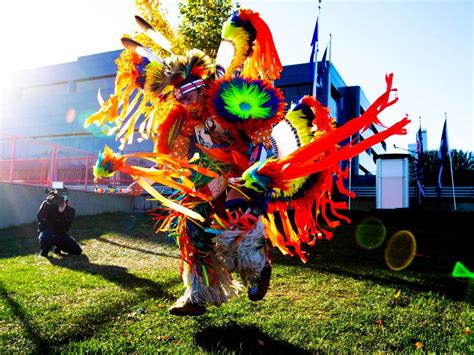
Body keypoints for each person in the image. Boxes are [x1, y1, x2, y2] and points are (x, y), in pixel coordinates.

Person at [87, 7, 409, 316]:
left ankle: (258, 270)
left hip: (249, 171)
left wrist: (253, 170)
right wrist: (137, 175)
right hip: (214, 179)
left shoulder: (227, 99)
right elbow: (170, 162)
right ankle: (199, 293)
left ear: (201, 87)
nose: (186, 102)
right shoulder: (181, 121)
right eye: (179, 97)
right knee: (193, 228)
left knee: (235, 223)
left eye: (190, 94)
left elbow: (259, 136)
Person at [37, 187, 82, 257]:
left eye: (64, 196)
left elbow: (66, 228)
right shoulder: (48, 204)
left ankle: (58, 247)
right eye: (59, 196)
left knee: (77, 251)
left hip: (60, 233)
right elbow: (40, 218)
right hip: (47, 231)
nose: (61, 199)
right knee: (46, 236)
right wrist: (47, 205)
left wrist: (62, 212)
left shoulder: (70, 210)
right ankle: (44, 250)